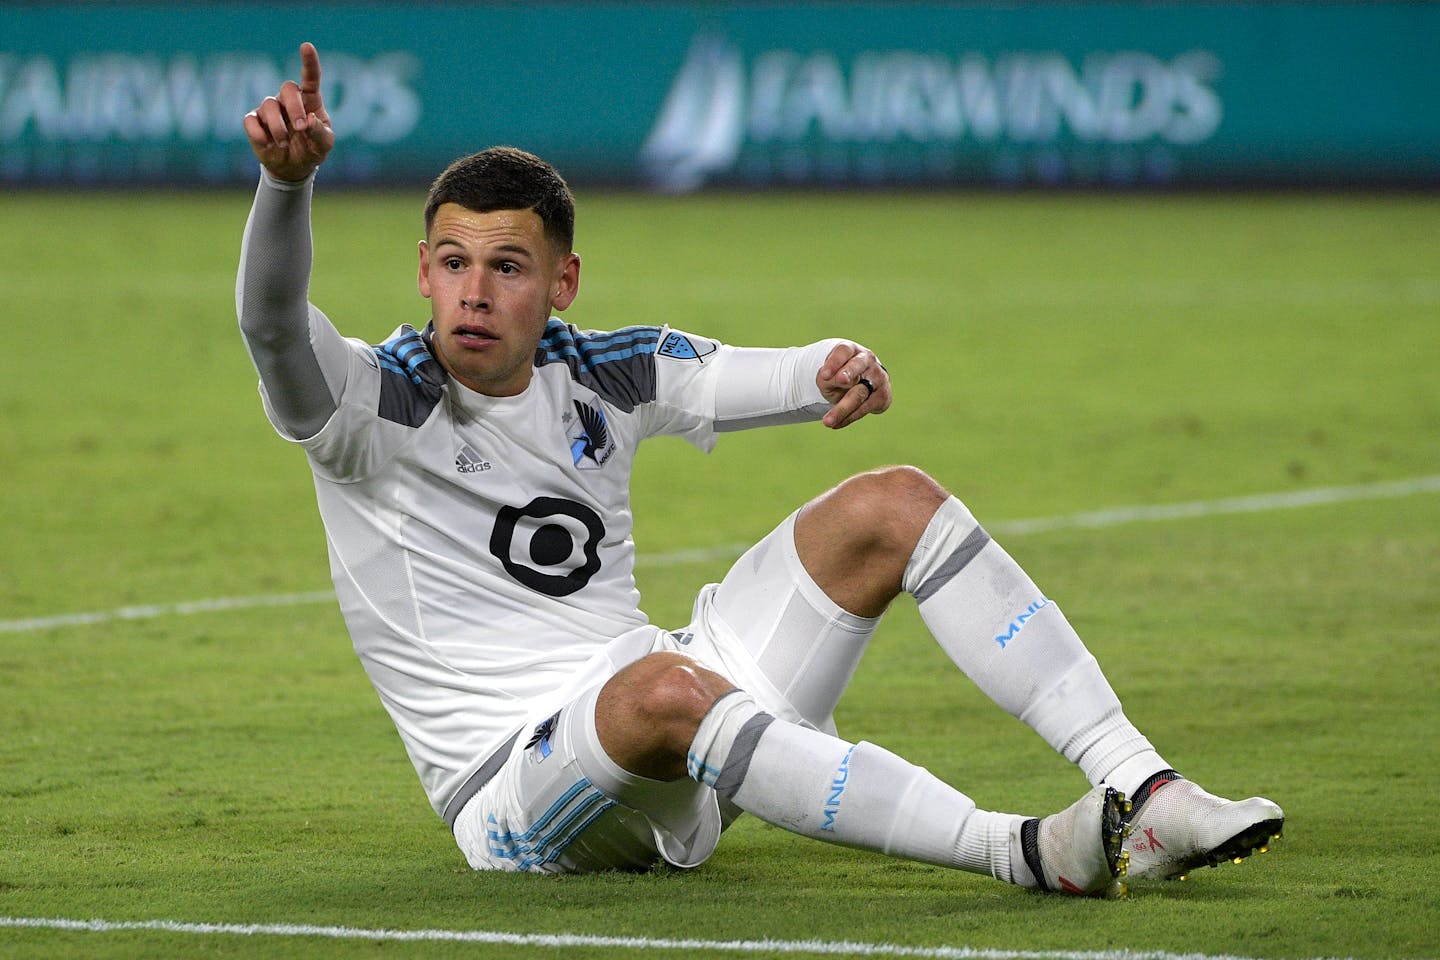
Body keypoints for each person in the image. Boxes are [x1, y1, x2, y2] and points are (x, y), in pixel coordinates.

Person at [237, 43, 1282, 893]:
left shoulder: (604, 370)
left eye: (507, 267)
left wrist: (835, 367)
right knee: (659, 686)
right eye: (454, 263)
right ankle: (1017, 852)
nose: (473, 292)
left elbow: (744, 373)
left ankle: (1144, 793)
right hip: (517, 788)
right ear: (423, 269)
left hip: (667, 708)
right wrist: (287, 190)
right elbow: (274, 325)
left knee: (893, 504)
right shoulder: (368, 406)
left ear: (562, 282)